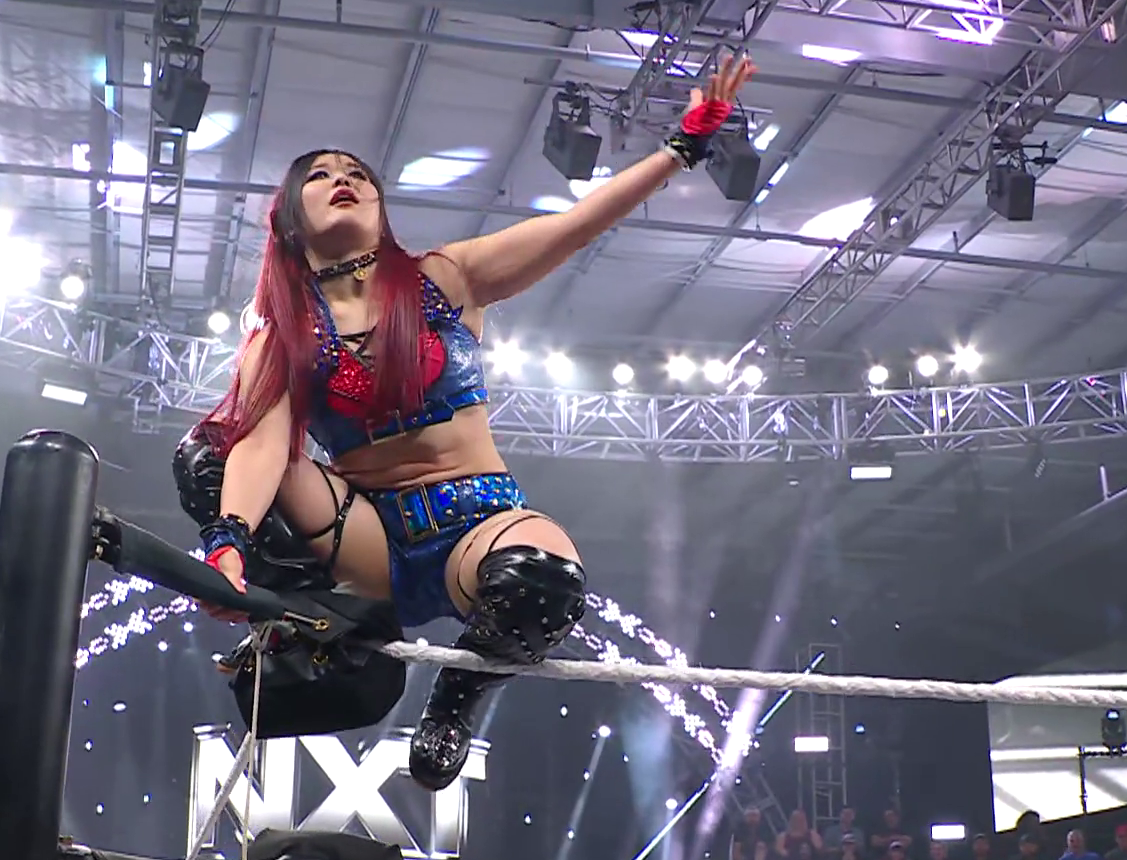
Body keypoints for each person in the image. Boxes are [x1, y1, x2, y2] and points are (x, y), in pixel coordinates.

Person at [180, 53, 754, 790]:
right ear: (291, 218)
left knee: (542, 581)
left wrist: (682, 147)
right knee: (209, 454)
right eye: (319, 175)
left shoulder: (442, 278)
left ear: (380, 207)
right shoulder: (281, 334)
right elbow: (263, 448)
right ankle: (308, 612)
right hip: (362, 536)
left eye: (356, 173)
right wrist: (228, 545)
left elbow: (575, 227)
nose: (342, 178)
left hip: (475, 524)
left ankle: (458, 696)